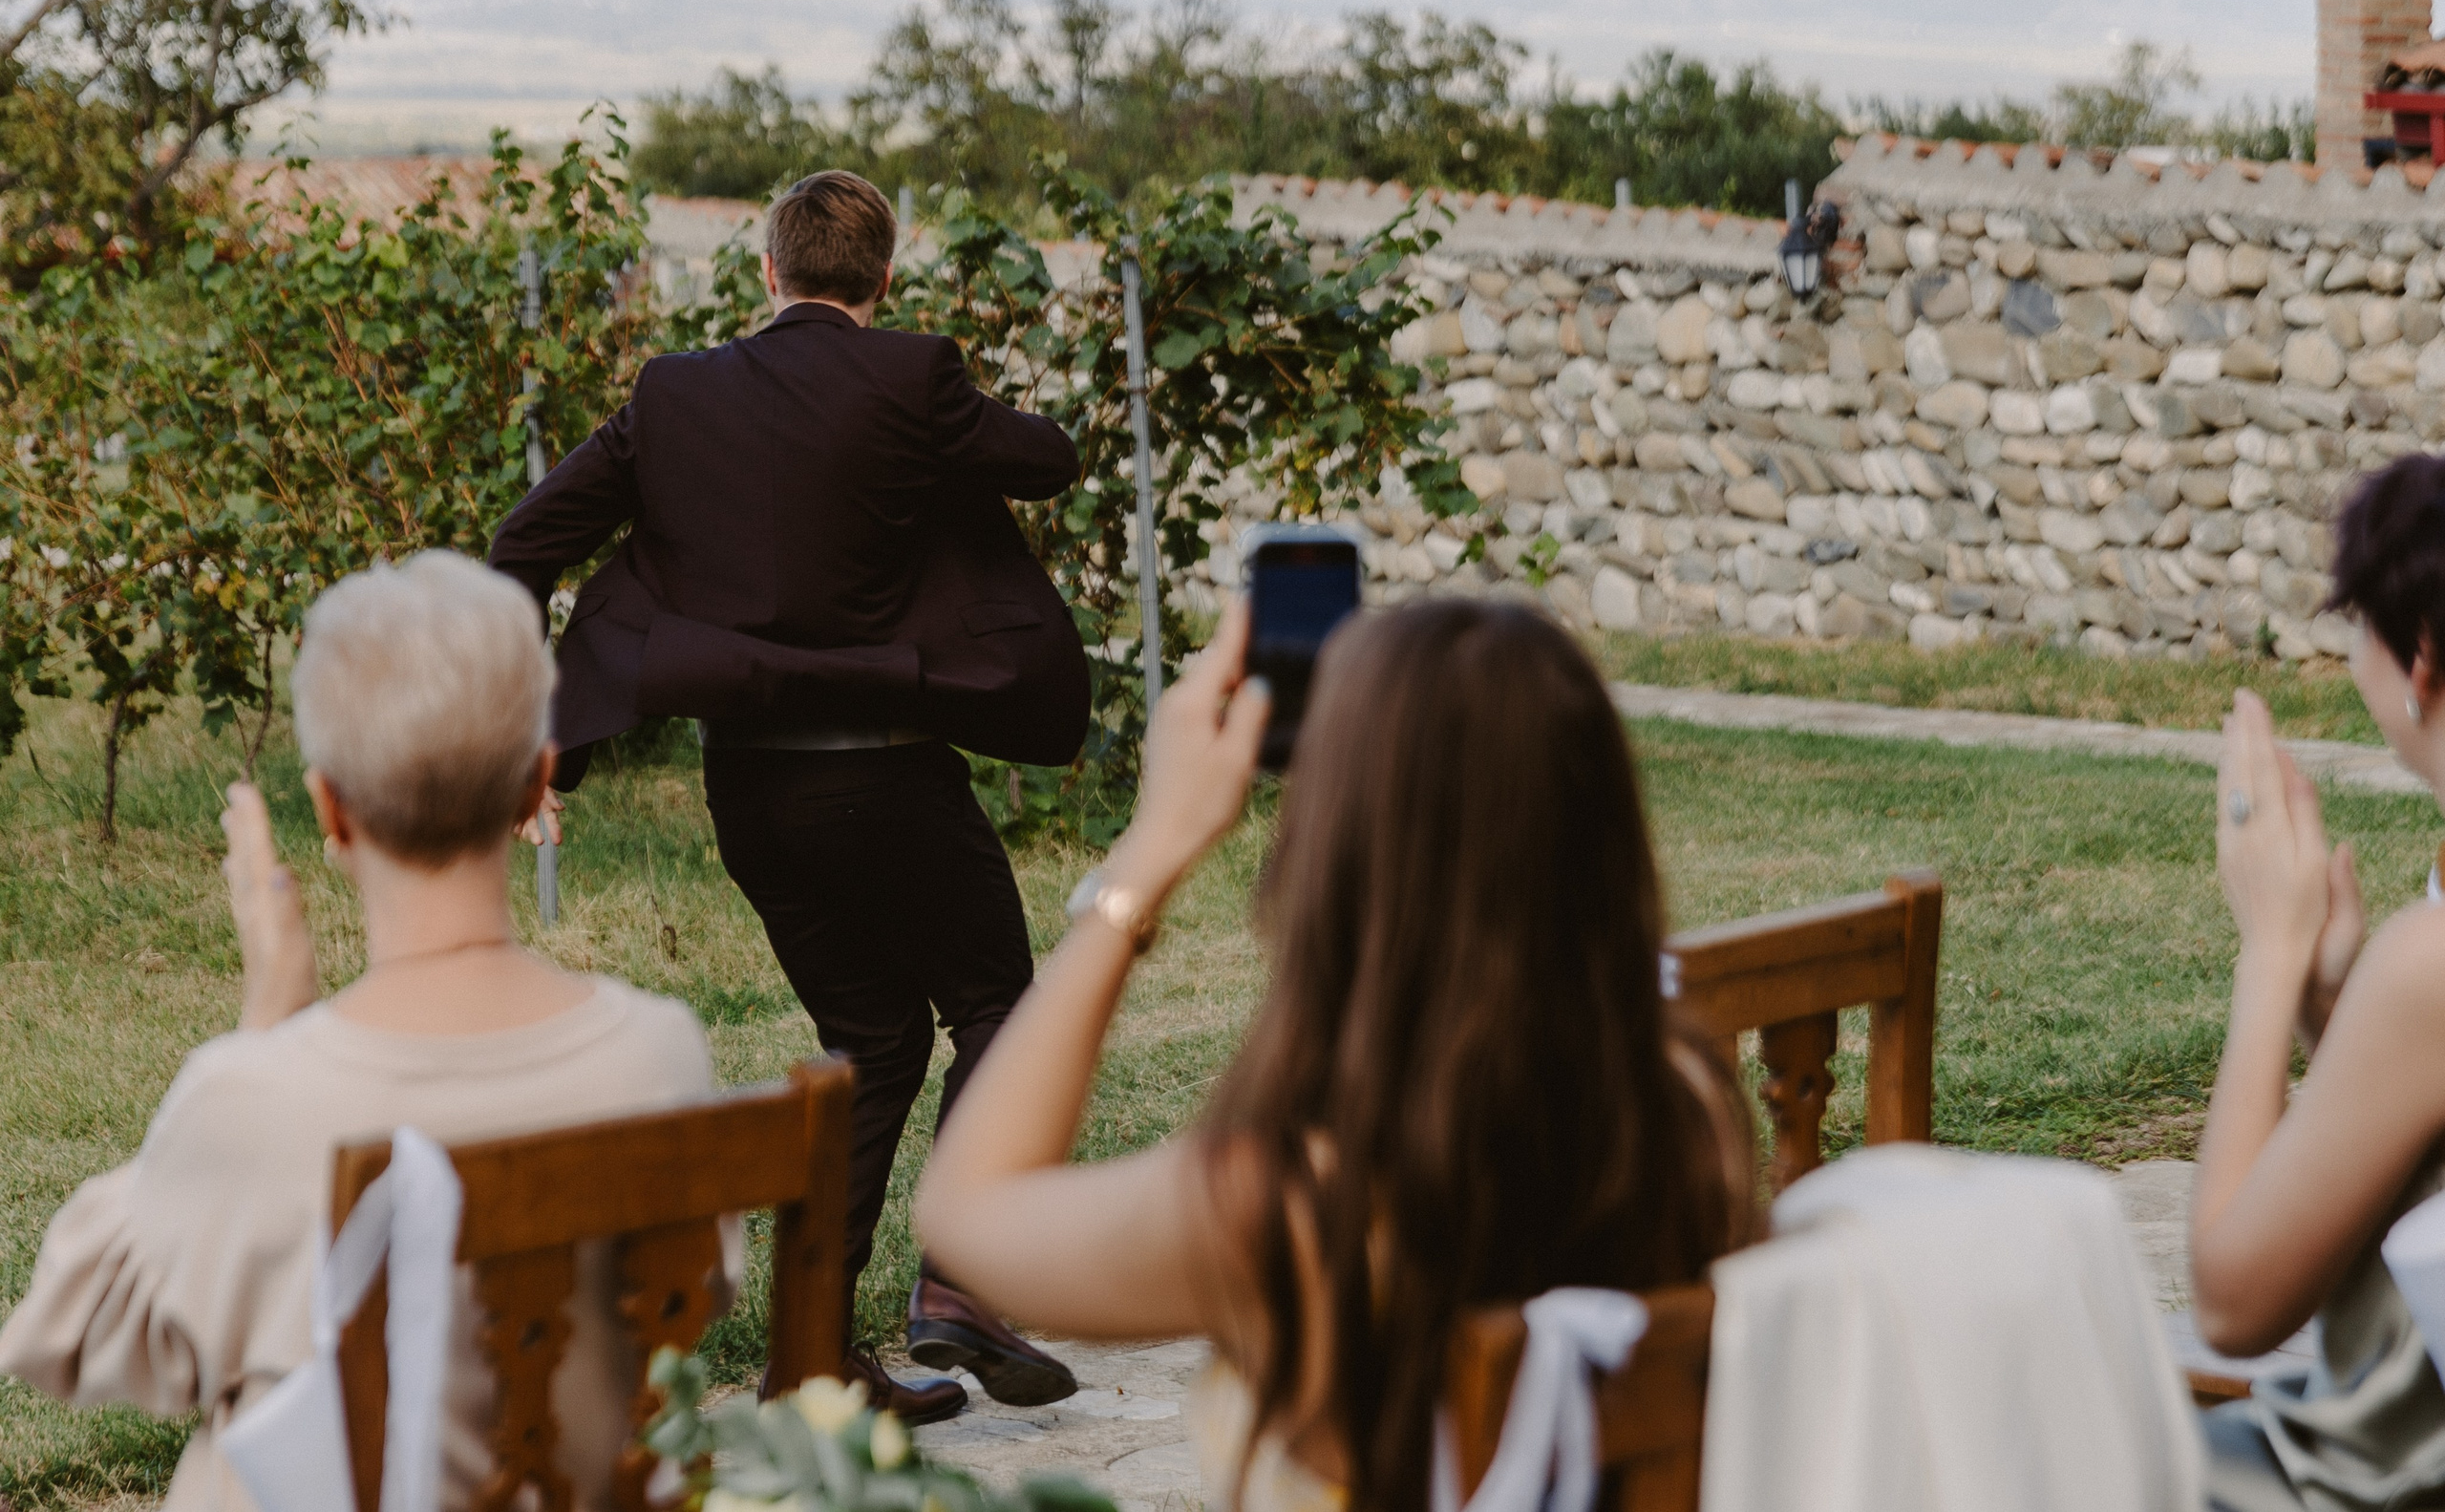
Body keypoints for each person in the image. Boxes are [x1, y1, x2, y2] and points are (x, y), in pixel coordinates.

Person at [915, 596, 1755, 1512]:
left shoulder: (1293, 1208)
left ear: (1339, 858)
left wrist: (1149, 853)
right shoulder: (1690, 1101)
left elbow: (963, 1211)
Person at [488, 169, 1088, 1422]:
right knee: (997, 1003)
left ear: (766, 272)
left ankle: (813, 1353)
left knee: (870, 1039)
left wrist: (503, 717)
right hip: (887, 772)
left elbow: (527, 540)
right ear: (883, 279)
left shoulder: (672, 393)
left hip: (751, 791)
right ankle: (964, 1280)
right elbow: (1047, 460)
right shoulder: (915, 376)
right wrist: (955, 432)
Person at [0, 551, 728, 1511]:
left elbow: (64, 1339)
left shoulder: (258, 1100)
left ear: (330, 810)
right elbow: (701, 1298)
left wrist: (264, 1023)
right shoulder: (661, 1052)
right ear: (534, 786)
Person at [2192, 452, 2445, 1510]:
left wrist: (2270, 948)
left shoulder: (2429, 963)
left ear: (2420, 661)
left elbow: (2230, 1301)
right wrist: (2336, 1022)